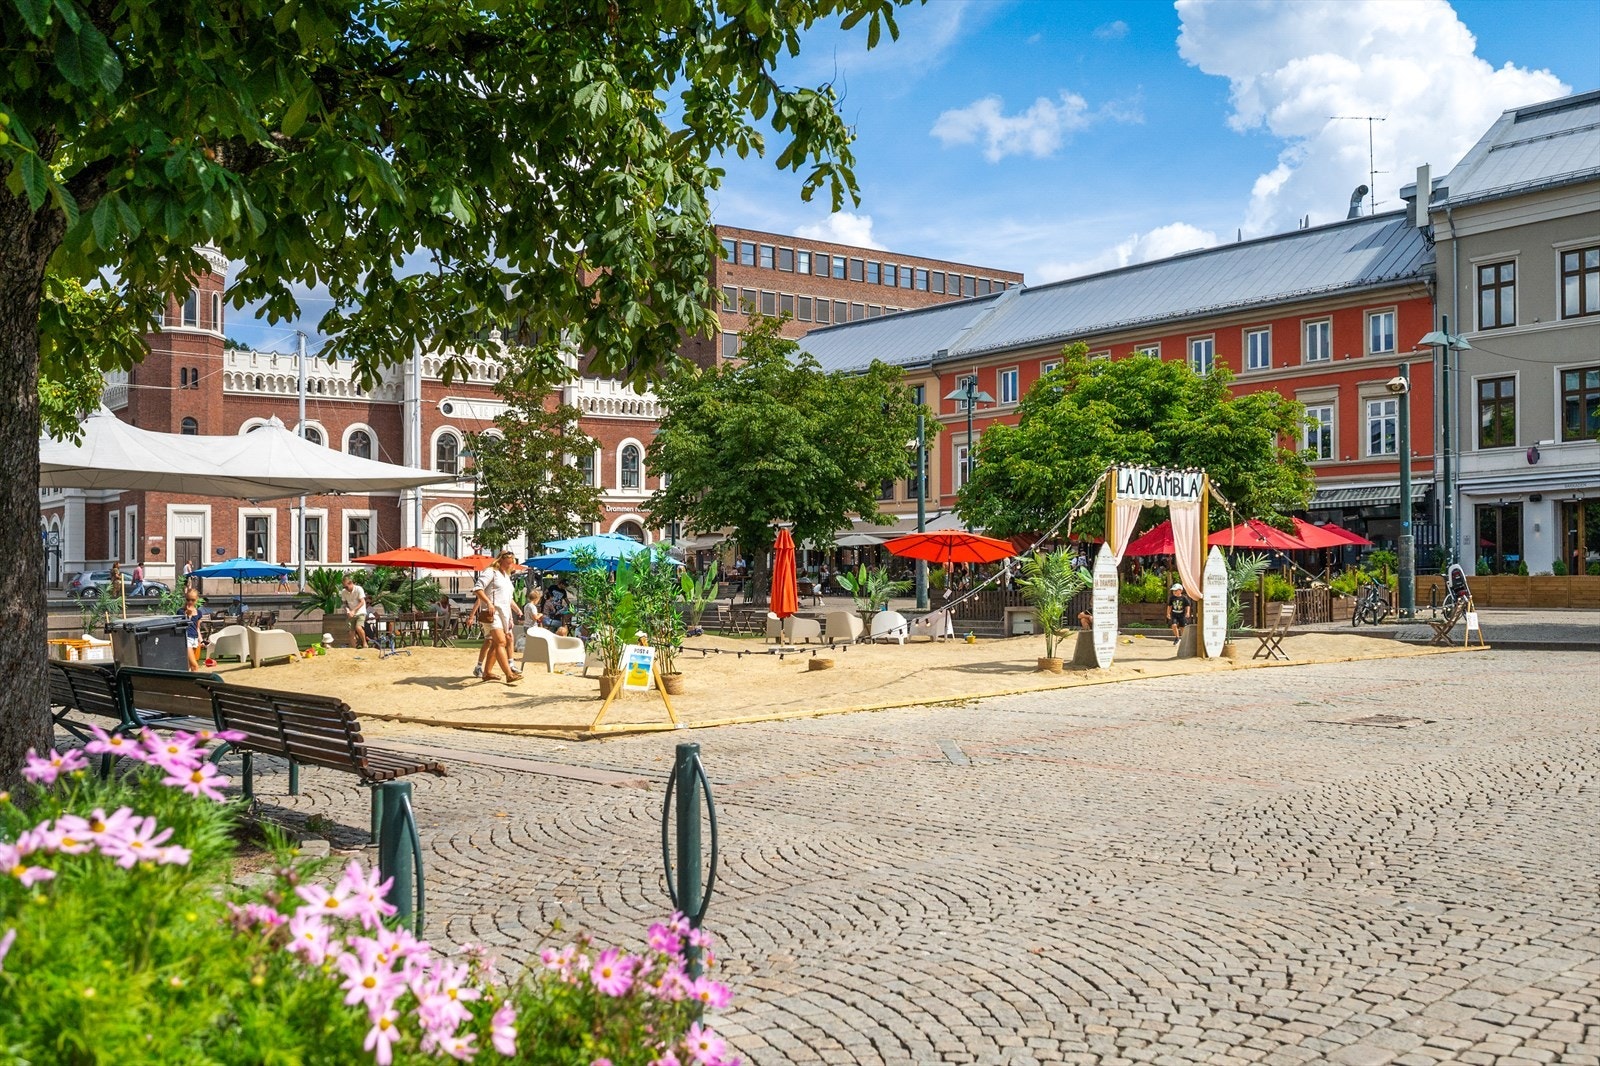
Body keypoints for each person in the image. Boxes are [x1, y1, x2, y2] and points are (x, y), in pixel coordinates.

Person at [473, 551, 523, 684]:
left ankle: (487, 672)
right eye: (508, 563)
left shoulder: (506, 576)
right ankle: (509, 674)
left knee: (496, 644)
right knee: (501, 642)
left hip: (504, 615)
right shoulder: (491, 572)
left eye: (511, 563)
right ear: (500, 561)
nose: (510, 565)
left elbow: (507, 599)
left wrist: (516, 612)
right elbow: (478, 588)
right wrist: (488, 602)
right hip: (492, 613)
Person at [340, 574, 369, 649]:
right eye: (344, 587)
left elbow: (362, 602)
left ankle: (364, 644)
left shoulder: (358, 589)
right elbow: (344, 603)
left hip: (360, 612)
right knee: (351, 632)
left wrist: (353, 611)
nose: (345, 588)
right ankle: (354, 648)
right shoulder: (344, 592)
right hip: (351, 613)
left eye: (346, 586)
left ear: (351, 583)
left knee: (358, 627)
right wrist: (347, 610)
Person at [182, 587, 205, 671]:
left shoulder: (199, 612)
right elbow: (183, 626)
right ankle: (197, 683)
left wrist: (201, 640)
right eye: (188, 600)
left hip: (195, 639)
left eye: (193, 600)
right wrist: (188, 616)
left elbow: (197, 628)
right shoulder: (181, 611)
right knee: (195, 666)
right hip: (186, 638)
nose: (190, 602)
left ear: (197, 599)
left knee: (189, 666)